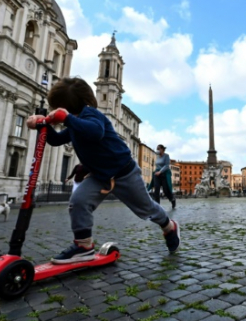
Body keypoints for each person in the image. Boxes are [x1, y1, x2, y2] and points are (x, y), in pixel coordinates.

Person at [26, 77, 180, 264]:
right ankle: (84, 246)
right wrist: (42, 125)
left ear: (68, 105)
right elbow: (57, 140)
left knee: (146, 208)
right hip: (99, 176)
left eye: (57, 107)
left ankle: (169, 226)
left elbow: (95, 132)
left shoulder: (92, 115)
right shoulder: (74, 123)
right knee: (78, 201)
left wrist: (67, 119)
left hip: (124, 173)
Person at [152, 145, 176, 210]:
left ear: (162, 149)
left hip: (164, 174)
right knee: (156, 189)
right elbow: (157, 165)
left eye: (158, 149)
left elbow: (166, 166)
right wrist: (156, 172)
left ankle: (172, 199)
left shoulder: (166, 156)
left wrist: (160, 171)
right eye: (157, 149)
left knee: (166, 190)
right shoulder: (157, 156)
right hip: (157, 175)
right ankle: (157, 206)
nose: (157, 150)